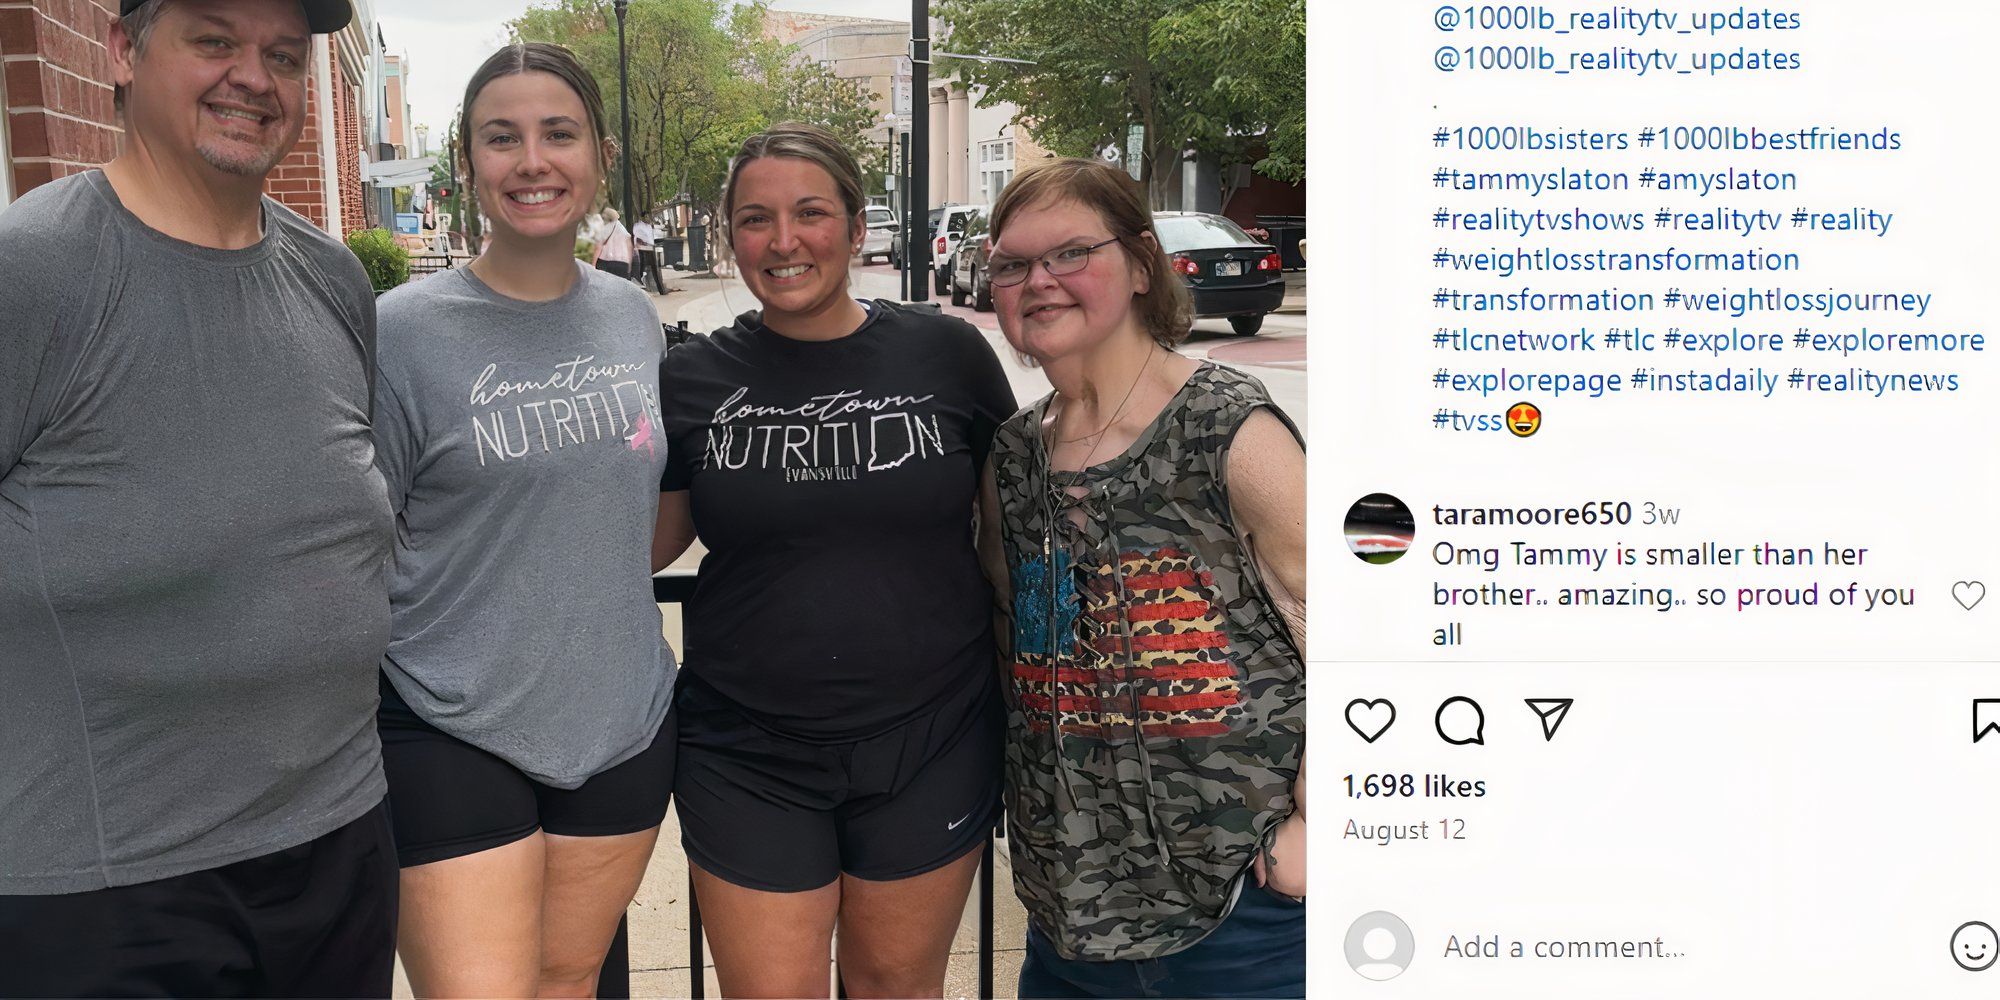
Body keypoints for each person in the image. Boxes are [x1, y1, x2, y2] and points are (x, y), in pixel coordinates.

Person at [0, 0, 397, 995]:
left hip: (339, 846)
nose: (253, 78)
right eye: (213, 40)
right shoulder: (33, 272)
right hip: (110, 889)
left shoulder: (332, 278)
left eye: (282, 55)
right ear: (123, 50)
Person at [653, 121, 1017, 998]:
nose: (784, 241)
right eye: (755, 219)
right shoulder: (691, 378)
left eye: (811, 213)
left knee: (896, 983)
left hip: (932, 734)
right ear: (730, 232)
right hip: (747, 748)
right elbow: (640, 545)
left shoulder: (947, 355)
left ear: (858, 229)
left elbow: (1017, 532)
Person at [370, 43, 678, 997]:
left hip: (619, 721)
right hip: (445, 719)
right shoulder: (399, 330)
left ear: (600, 156)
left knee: (570, 981)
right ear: (467, 163)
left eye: (559, 134)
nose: (532, 161)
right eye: (501, 138)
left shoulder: (635, 320)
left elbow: (638, 512)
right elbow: (357, 539)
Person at [979, 158, 1307, 999]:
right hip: (1070, 918)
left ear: (1138, 265)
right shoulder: (1016, 457)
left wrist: (1319, 826)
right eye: (1012, 264)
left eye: (1069, 254)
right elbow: (1021, 638)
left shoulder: (1225, 425)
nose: (1038, 281)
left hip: (1244, 916)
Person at [593, 205, 636, 280]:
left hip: (606, 262)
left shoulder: (605, 228)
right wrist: (629, 268)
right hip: (622, 264)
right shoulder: (624, 231)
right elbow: (630, 249)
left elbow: (598, 247)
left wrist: (593, 265)